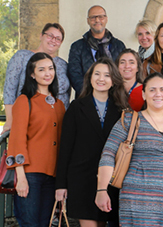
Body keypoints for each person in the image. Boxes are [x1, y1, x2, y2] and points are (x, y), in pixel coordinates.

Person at [96, 73, 163, 226]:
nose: (158, 94)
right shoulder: (129, 120)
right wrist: (101, 190)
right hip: (135, 201)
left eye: (162, 89)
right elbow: (108, 154)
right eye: (152, 90)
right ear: (143, 94)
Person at [56, 58, 128, 227]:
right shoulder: (76, 107)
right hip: (81, 179)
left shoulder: (121, 109)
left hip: (109, 180)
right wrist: (61, 185)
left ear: (113, 80)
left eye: (107, 75)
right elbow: (65, 148)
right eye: (97, 74)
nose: (101, 79)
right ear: (89, 77)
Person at [6, 52, 65, 227]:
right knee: (29, 223)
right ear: (32, 74)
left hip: (52, 176)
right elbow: (17, 140)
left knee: (45, 223)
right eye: (42, 69)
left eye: (51, 68)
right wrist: (21, 176)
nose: (48, 73)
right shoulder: (24, 100)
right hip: (30, 174)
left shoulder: (59, 104)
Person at [3, 23, 70, 136]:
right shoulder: (22, 56)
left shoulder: (63, 65)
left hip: (58, 123)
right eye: (50, 36)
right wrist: (10, 120)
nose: (53, 40)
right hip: (29, 120)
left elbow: (67, 94)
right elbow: (9, 89)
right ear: (41, 36)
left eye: (58, 39)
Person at [68, 5, 126, 97]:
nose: (97, 20)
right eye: (93, 17)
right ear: (88, 21)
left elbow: (123, 73)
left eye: (101, 17)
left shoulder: (119, 46)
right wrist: (92, 95)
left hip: (115, 99)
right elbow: (74, 75)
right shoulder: (77, 46)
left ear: (106, 19)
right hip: (86, 99)